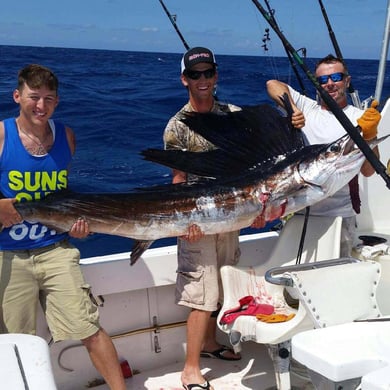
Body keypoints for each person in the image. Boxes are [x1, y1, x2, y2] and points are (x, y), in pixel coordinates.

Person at [0, 64, 126, 390]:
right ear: (17, 96)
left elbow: (65, 200)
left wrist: (77, 228)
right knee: (17, 342)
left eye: (49, 99)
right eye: (34, 97)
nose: (41, 106)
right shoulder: (1, 136)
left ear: (57, 102)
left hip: (56, 249)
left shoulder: (66, 137)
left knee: (89, 328)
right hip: (8, 256)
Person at [163, 47, 250, 390]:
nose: (203, 80)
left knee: (222, 286)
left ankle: (211, 344)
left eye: (208, 73)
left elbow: (252, 167)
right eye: (195, 74)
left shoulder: (234, 115)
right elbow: (177, 182)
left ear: (216, 76)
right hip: (197, 220)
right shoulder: (177, 126)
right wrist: (185, 224)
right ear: (184, 79)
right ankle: (190, 369)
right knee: (202, 294)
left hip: (232, 214)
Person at [267, 54, 381, 256]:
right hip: (299, 212)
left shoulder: (359, 118)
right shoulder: (307, 108)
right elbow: (273, 84)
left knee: (337, 275)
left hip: (340, 216)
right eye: (322, 80)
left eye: (336, 77)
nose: (329, 84)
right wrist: (292, 108)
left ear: (347, 80)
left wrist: (370, 135)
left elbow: (369, 171)